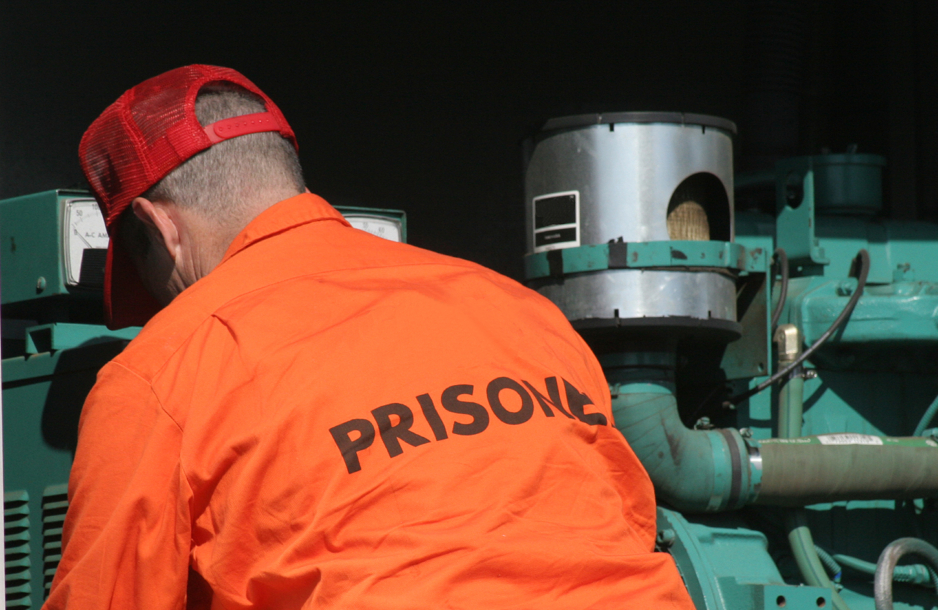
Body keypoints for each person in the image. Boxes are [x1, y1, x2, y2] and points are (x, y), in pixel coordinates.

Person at [45, 64, 694, 609]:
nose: (163, 305)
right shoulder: (523, 310)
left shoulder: (161, 369)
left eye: (149, 281)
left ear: (159, 230)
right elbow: (627, 521)